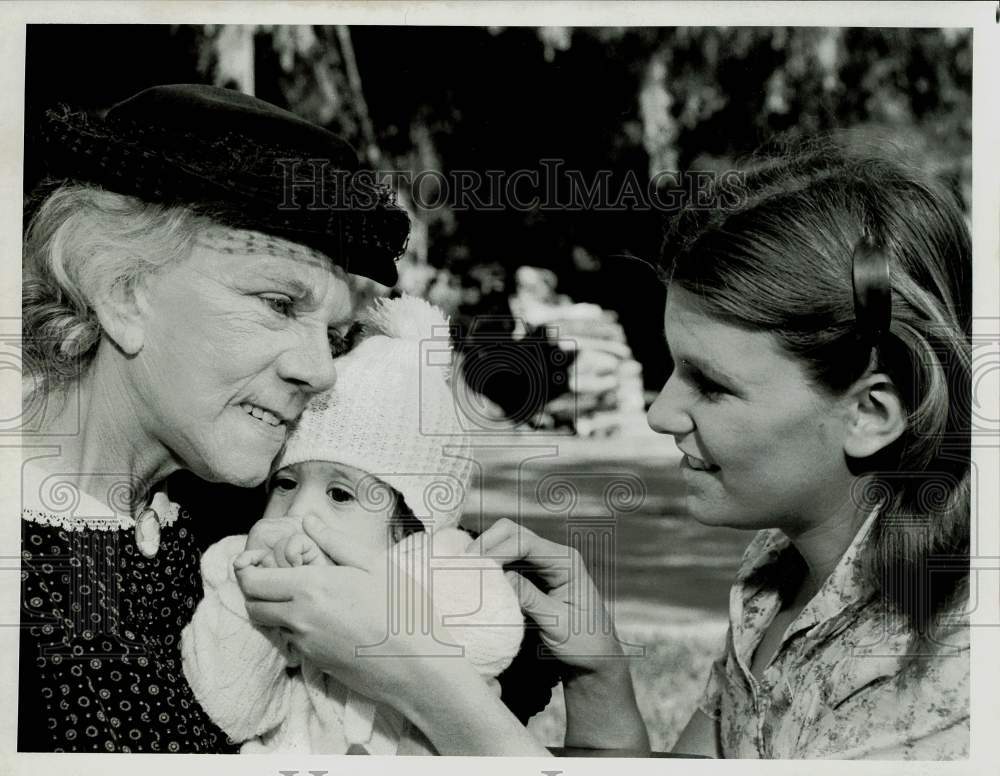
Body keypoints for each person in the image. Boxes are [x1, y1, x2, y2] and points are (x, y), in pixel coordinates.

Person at [236, 135, 972, 758]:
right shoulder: (779, 572)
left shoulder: (949, 677)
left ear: (871, 413)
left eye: (711, 386)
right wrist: (600, 677)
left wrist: (415, 677)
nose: (659, 412)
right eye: (670, 367)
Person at [18, 83, 410, 753]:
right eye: (280, 304)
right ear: (123, 293)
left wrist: (600, 690)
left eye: (338, 336)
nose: (321, 371)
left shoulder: (265, 521)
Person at [179, 295, 525, 755]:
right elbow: (231, 707)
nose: (300, 512)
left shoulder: (436, 561)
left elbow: (492, 638)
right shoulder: (238, 564)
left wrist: (384, 609)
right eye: (285, 484)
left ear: (412, 526)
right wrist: (256, 599)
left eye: (340, 494)